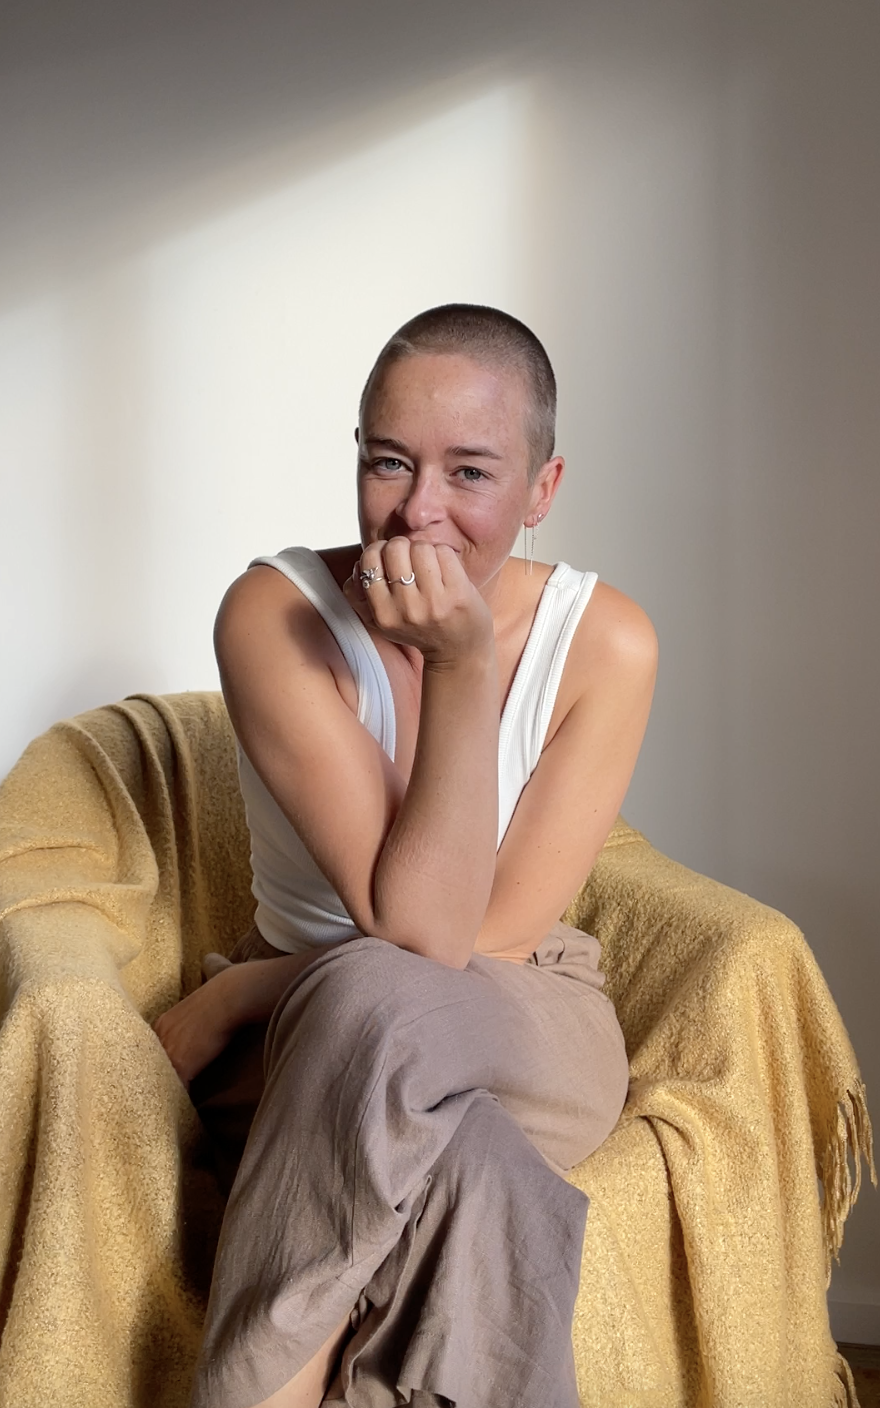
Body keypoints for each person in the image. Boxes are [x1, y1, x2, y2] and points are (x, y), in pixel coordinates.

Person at [153, 302, 658, 1408]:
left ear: (542, 488)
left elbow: (459, 938)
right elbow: (410, 936)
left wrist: (248, 986)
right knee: (472, 1164)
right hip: (306, 1051)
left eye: (470, 472)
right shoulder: (272, 613)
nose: (420, 510)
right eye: (389, 462)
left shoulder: (605, 640)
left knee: (377, 994)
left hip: (523, 1012)